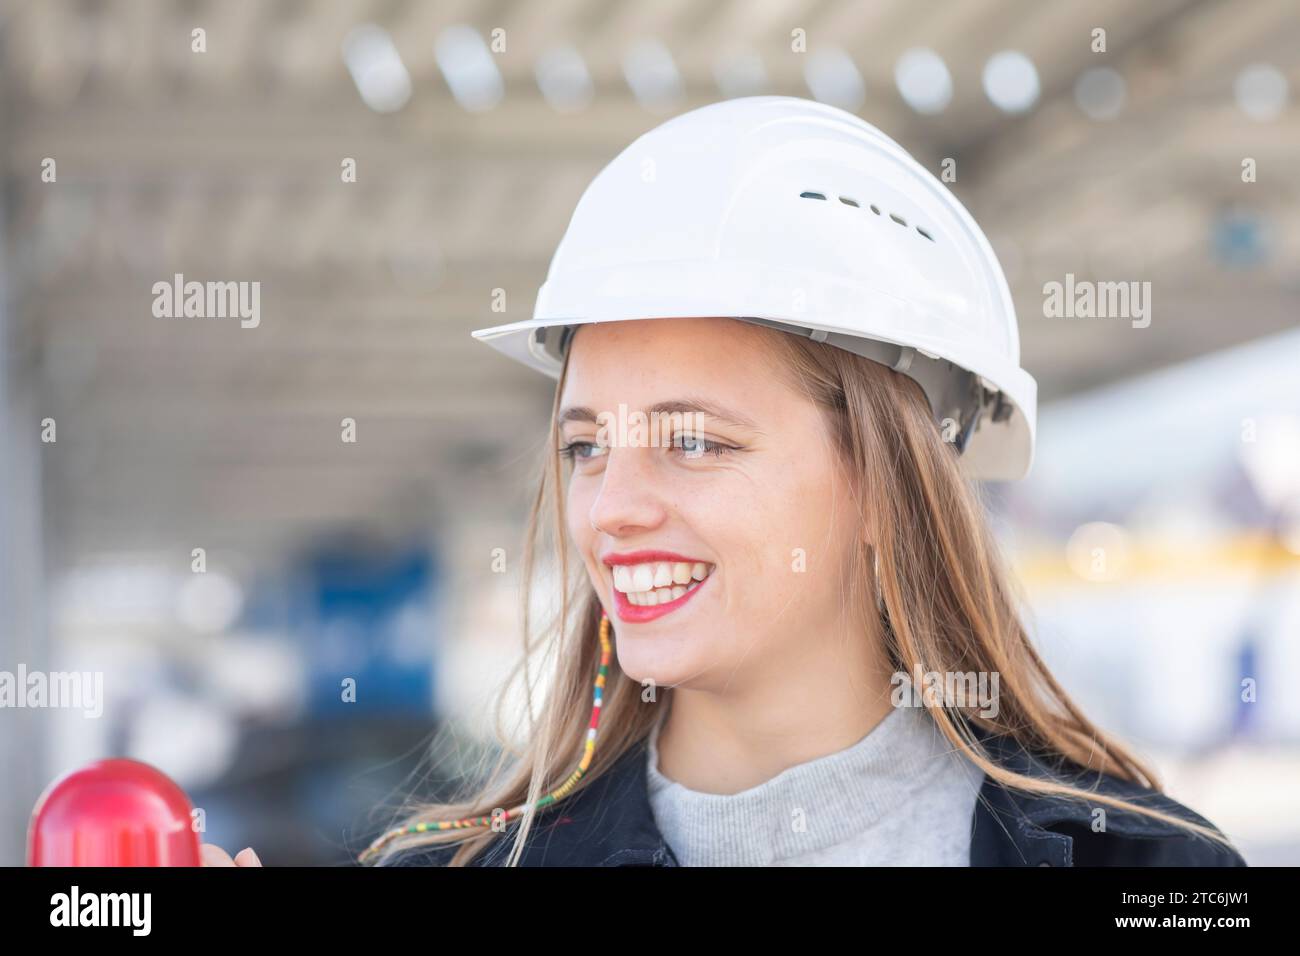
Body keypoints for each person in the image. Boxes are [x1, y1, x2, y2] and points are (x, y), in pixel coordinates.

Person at [204, 96, 1246, 868]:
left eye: (694, 440)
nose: (611, 506)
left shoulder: (1154, 874)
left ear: (887, 483)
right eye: (584, 446)